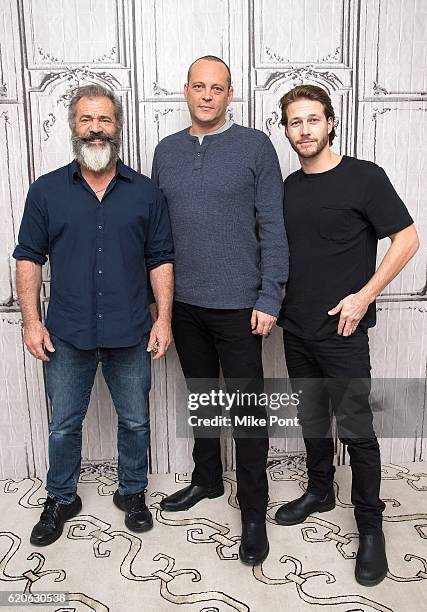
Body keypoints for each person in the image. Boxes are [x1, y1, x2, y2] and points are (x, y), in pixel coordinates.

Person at [13, 84, 174, 546]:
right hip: (67, 333)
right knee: (63, 423)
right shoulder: (45, 191)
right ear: (73, 127)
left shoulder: (145, 192)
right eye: (87, 120)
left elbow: (160, 258)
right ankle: (61, 497)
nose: (96, 129)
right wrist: (31, 321)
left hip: (131, 332)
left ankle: (133, 492)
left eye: (104, 119)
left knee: (135, 421)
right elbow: (28, 257)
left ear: (118, 126)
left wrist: (163, 319)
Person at [274, 84, 419, 585]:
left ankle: (370, 526)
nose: (305, 130)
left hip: (344, 330)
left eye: (313, 119)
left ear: (330, 122)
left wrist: (365, 296)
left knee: (357, 429)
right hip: (296, 328)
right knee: (312, 416)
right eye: (295, 122)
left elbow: (408, 238)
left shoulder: (363, 177)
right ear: (286, 129)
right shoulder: (289, 188)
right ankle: (319, 490)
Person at [151, 56, 289, 564]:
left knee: (248, 411)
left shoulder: (255, 146)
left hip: (240, 305)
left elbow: (273, 227)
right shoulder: (165, 151)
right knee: (203, 398)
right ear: (185, 90)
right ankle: (206, 480)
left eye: (218, 88)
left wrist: (269, 295)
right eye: (199, 86)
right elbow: (157, 233)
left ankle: (253, 509)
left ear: (230, 95)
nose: (207, 95)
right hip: (184, 303)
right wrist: (158, 303)